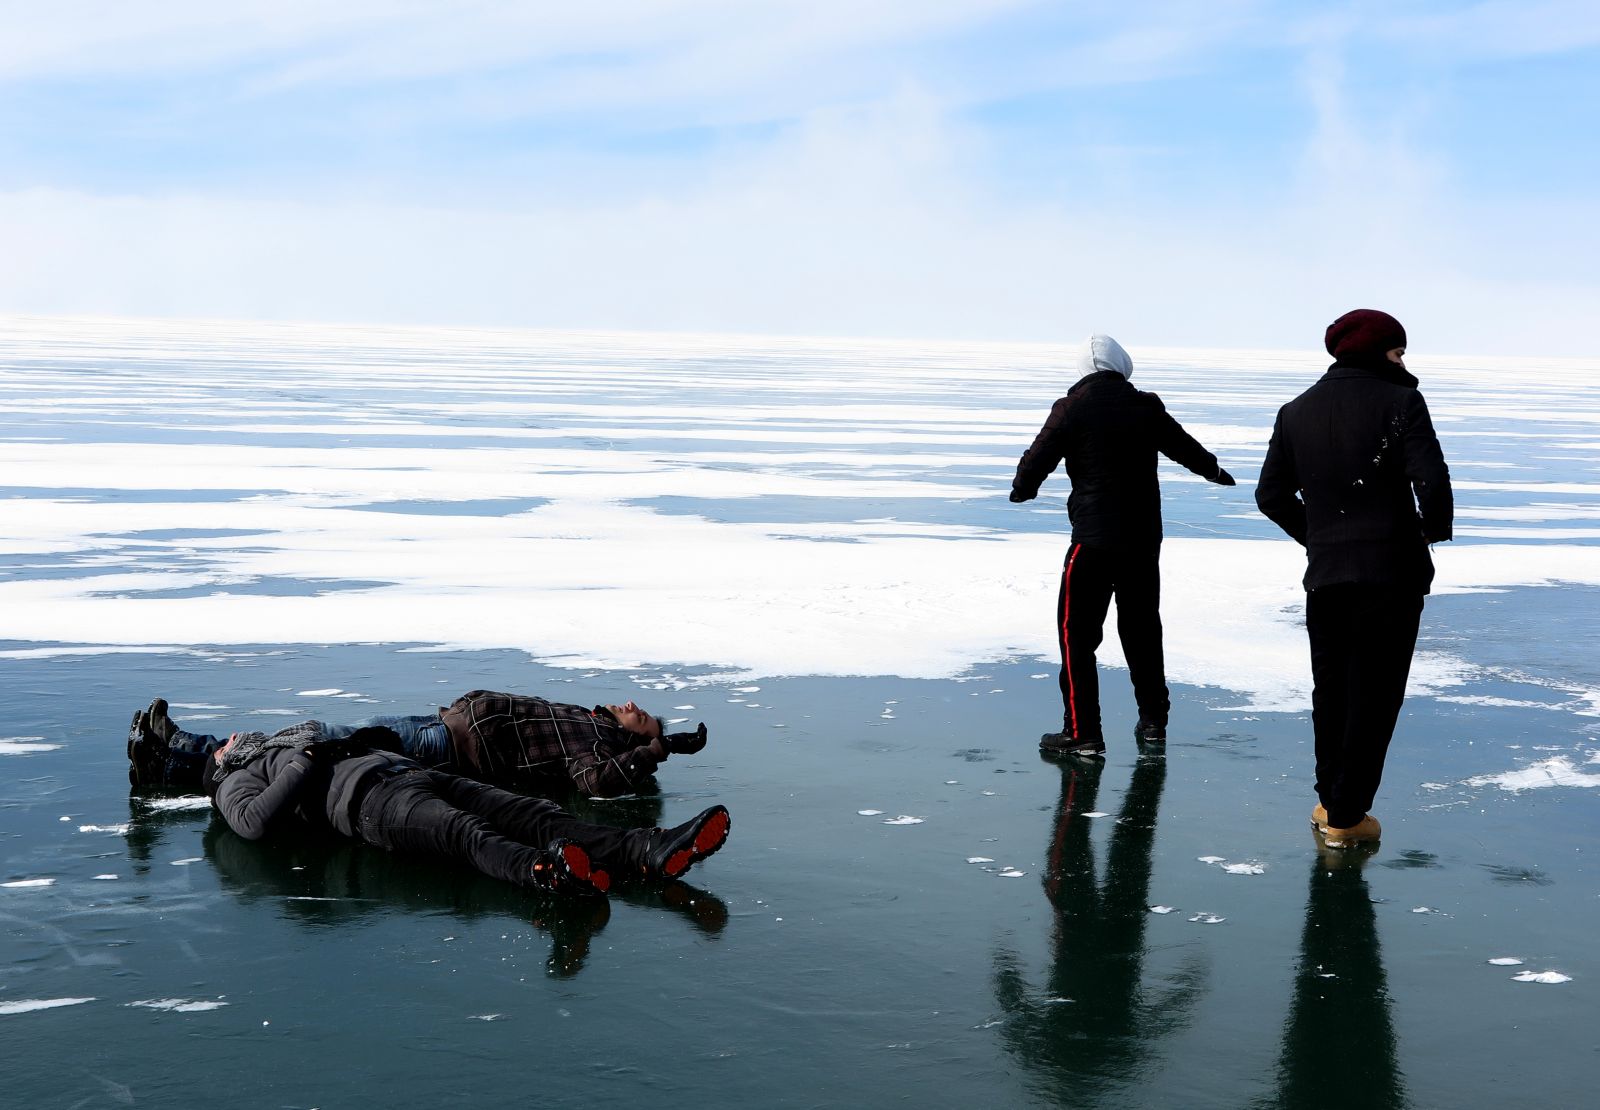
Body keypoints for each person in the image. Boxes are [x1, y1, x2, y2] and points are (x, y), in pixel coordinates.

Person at [1256, 308, 1452, 848]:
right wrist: (1425, 534)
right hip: (1391, 577)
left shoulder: (1295, 412)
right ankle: (1347, 816)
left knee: (1333, 692)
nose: (1404, 360)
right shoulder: (1402, 401)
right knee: (1375, 695)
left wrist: (1317, 537)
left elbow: (1269, 495)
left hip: (1327, 577)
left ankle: (1328, 802)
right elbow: (1431, 482)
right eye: (1398, 351)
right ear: (1374, 351)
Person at [195, 717, 731, 898]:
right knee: (466, 835)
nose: (235, 735)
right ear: (219, 760)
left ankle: (647, 849)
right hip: (372, 807)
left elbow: (329, 751)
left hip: (410, 772)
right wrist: (305, 761)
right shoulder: (233, 782)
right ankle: (546, 873)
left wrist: (365, 742)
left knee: (536, 814)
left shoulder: (284, 742)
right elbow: (253, 824)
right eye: (224, 741)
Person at [1010, 334, 1236, 756]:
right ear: (1123, 366)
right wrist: (1214, 471)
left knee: (1077, 637)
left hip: (1091, 543)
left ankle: (1083, 733)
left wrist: (1022, 489)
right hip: (1141, 542)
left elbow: (1039, 456)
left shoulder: (1071, 407)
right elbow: (1183, 446)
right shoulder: (1144, 406)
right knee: (1142, 631)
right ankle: (1154, 724)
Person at [128, 688, 708, 798]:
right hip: (440, 725)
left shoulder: (600, 744)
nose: (634, 707)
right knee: (320, 739)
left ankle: (182, 750)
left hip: (445, 750)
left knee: (319, 740)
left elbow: (594, 783)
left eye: (644, 717)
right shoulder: (588, 715)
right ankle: (171, 762)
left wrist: (656, 750)